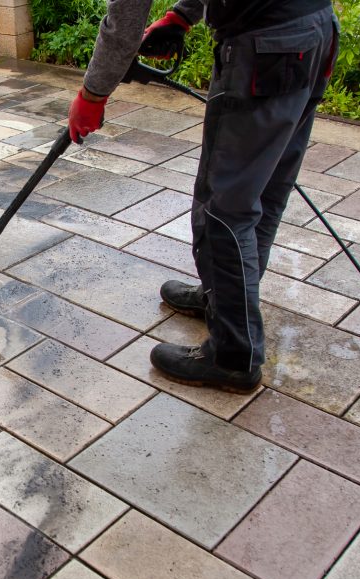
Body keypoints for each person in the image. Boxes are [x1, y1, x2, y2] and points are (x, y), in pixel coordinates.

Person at [68, 0, 339, 393]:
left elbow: (124, 22)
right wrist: (182, 15)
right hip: (313, 29)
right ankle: (226, 301)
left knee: (226, 209)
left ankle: (233, 355)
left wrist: (92, 95)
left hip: (267, 47)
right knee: (264, 187)